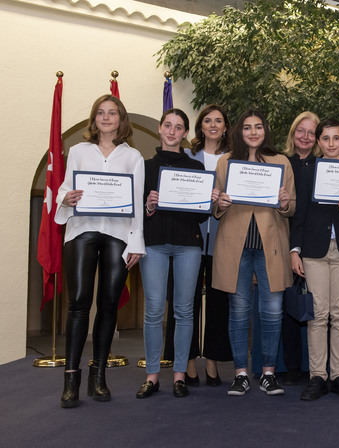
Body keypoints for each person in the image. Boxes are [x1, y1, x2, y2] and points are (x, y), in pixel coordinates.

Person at [56, 94, 145, 408]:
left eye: (113, 113)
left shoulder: (132, 157)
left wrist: (136, 243)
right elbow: (66, 186)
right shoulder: (79, 151)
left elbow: (135, 202)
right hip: (82, 230)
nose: (107, 118)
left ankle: (99, 377)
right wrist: (65, 198)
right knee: (79, 303)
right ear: (94, 119)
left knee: (108, 305)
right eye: (101, 113)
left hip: (118, 234)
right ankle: (71, 379)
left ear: (121, 120)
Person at [212, 109, 295, 397]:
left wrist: (284, 202)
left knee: (272, 313)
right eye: (247, 128)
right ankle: (240, 374)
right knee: (238, 312)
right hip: (236, 249)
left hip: (270, 247)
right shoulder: (226, 162)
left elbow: (291, 207)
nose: (253, 132)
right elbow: (217, 207)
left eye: (258, 127)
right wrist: (220, 203)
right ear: (239, 132)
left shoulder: (281, 162)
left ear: (265, 130)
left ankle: (269, 373)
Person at [290, 118, 339, 401]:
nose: (331, 144)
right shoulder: (307, 170)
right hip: (313, 250)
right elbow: (298, 215)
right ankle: (317, 377)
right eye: (326, 139)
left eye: (337, 138)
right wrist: (294, 250)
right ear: (319, 142)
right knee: (318, 315)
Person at [136, 108, 208, 399]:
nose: (172, 131)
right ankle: (152, 376)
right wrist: (149, 205)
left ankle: (179, 375)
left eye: (179, 127)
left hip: (188, 245)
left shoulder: (196, 168)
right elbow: (137, 210)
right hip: (154, 243)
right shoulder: (145, 166)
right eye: (168, 125)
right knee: (153, 310)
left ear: (185, 134)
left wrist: (205, 201)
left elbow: (203, 217)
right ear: (160, 129)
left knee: (184, 310)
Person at [184, 105, 234, 386]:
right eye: (207, 120)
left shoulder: (234, 159)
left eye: (218, 121)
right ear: (200, 127)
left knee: (218, 303)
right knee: (187, 302)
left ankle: (213, 363)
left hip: (223, 240)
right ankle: (189, 362)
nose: (213, 125)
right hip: (191, 238)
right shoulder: (188, 156)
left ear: (226, 127)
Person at [282, 111, 320, 385]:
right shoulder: (281, 163)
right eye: (300, 131)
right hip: (284, 241)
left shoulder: (325, 166)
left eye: (311, 132)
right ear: (293, 133)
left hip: (316, 243)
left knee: (316, 308)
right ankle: (292, 367)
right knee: (290, 304)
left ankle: (315, 368)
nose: (305, 137)